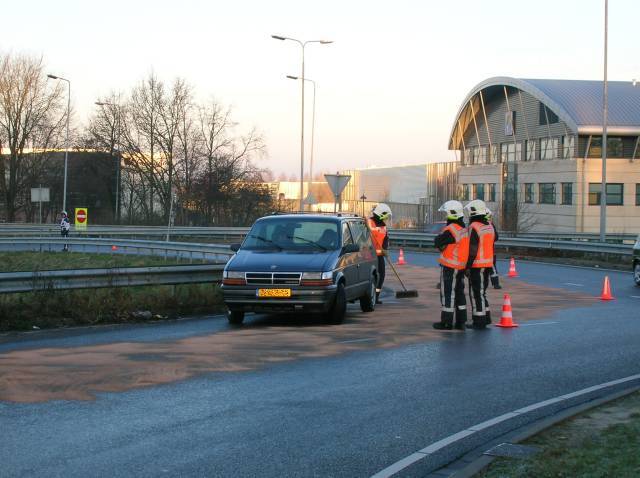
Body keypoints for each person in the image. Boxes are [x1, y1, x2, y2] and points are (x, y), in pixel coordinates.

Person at [433, 200, 469, 330]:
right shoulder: (463, 229)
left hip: (450, 266)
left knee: (448, 293)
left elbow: (437, 242)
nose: (446, 216)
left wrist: (439, 238)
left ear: (451, 214)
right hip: (461, 266)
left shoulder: (451, 230)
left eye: (446, 214)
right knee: (459, 294)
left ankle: (446, 322)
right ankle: (461, 321)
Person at [464, 199, 496, 329]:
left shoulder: (474, 227)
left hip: (476, 265)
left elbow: (472, 249)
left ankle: (479, 320)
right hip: (488, 264)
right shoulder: (489, 226)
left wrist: (467, 266)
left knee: (476, 293)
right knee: (482, 293)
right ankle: (486, 317)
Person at [367, 203, 391, 304]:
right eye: (385, 216)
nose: (386, 218)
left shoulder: (384, 226)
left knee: (381, 275)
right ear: (381, 214)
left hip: (380, 255)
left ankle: (376, 296)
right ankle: (369, 296)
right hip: (368, 255)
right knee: (370, 276)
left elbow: (385, 239)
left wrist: (385, 249)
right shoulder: (369, 222)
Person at [486, 209, 501, 289]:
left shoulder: (476, 225)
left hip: (483, 252)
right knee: (492, 268)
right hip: (490, 251)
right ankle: (496, 284)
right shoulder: (491, 225)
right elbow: (496, 237)